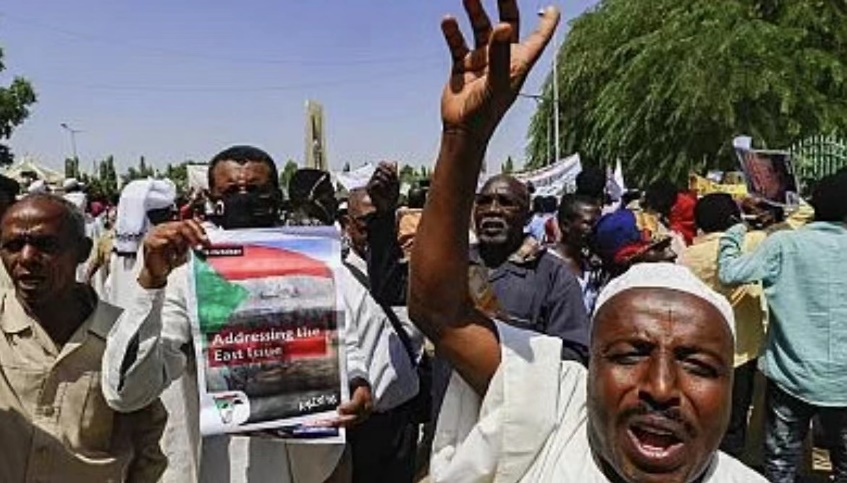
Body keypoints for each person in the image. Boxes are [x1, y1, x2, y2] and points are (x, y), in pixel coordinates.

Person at [406, 1, 765, 480]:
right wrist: (463, 140)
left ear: (733, 386)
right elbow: (438, 311)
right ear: (589, 369)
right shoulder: (553, 410)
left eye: (698, 365)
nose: (661, 388)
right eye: (629, 355)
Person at [102, 147, 405, 483]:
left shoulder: (315, 261)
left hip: (315, 466)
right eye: (231, 190)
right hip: (228, 468)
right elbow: (126, 392)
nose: (243, 198)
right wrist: (151, 283)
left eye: (255, 189)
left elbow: (347, 342)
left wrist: (358, 383)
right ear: (211, 199)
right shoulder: (190, 275)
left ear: (276, 196)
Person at [0, 194, 166, 482]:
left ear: (82, 251)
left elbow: (146, 442)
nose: (26, 258)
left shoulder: (121, 336)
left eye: (46, 245)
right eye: (13, 246)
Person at [718, 169, 847, 483]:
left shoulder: (784, 244)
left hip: (791, 376)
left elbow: (729, 273)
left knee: (781, 465)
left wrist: (737, 229)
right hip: (842, 383)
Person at [342, 186, 424, 483]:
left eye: (383, 223)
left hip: (404, 417)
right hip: (362, 425)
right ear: (348, 224)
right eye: (368, 223)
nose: (376, 232)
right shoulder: (336, 275)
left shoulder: (410, 271)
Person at [679, 193, 768, 459]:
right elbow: (799, 214)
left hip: (701, 350)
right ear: (733, 220)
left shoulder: (687, 257)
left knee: (702, 416)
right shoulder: (754, 242)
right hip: (743, 351)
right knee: (735, 421)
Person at [472, 174, 589, 361]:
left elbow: (574, 353)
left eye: (505, 202)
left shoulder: (554, 276)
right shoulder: (453, 263)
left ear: (527, 216)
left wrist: (510, 348)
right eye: (483, 202)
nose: (492, 210)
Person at [551, 193, 602, 314]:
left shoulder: (591, 267)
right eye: (588, 223)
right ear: (566, 225)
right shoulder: (547, 266)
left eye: (597, 223)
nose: (595, 229)